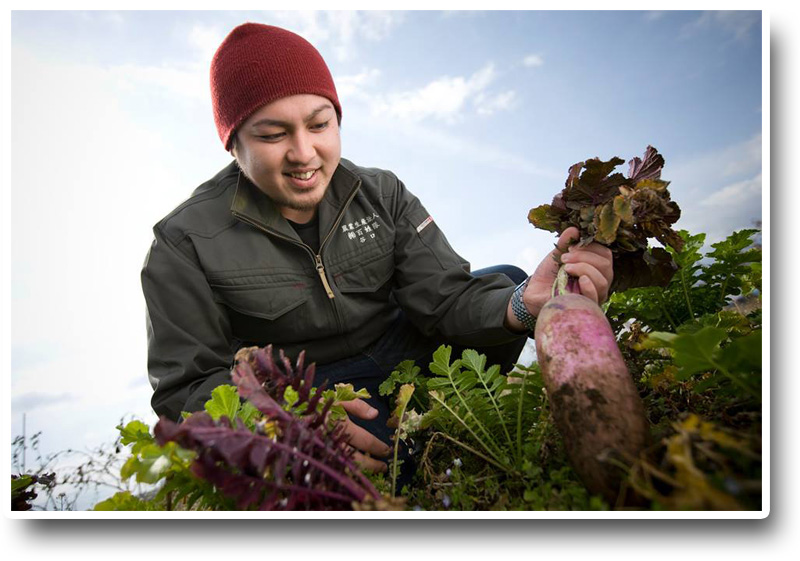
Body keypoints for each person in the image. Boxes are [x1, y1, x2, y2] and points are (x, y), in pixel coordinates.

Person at [141, 22, 613, 475]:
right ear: (233, 144)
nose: (304, 152)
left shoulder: (381, 192)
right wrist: (287, 420)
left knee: (509, 281)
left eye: (319, 124)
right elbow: (187, 388)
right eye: (272, 135)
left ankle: (426, 408)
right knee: (383, 468)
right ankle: (388, 442)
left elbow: (445, 298)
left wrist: (522, 305)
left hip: (404, 349)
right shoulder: (182, 242)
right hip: (317, 392)